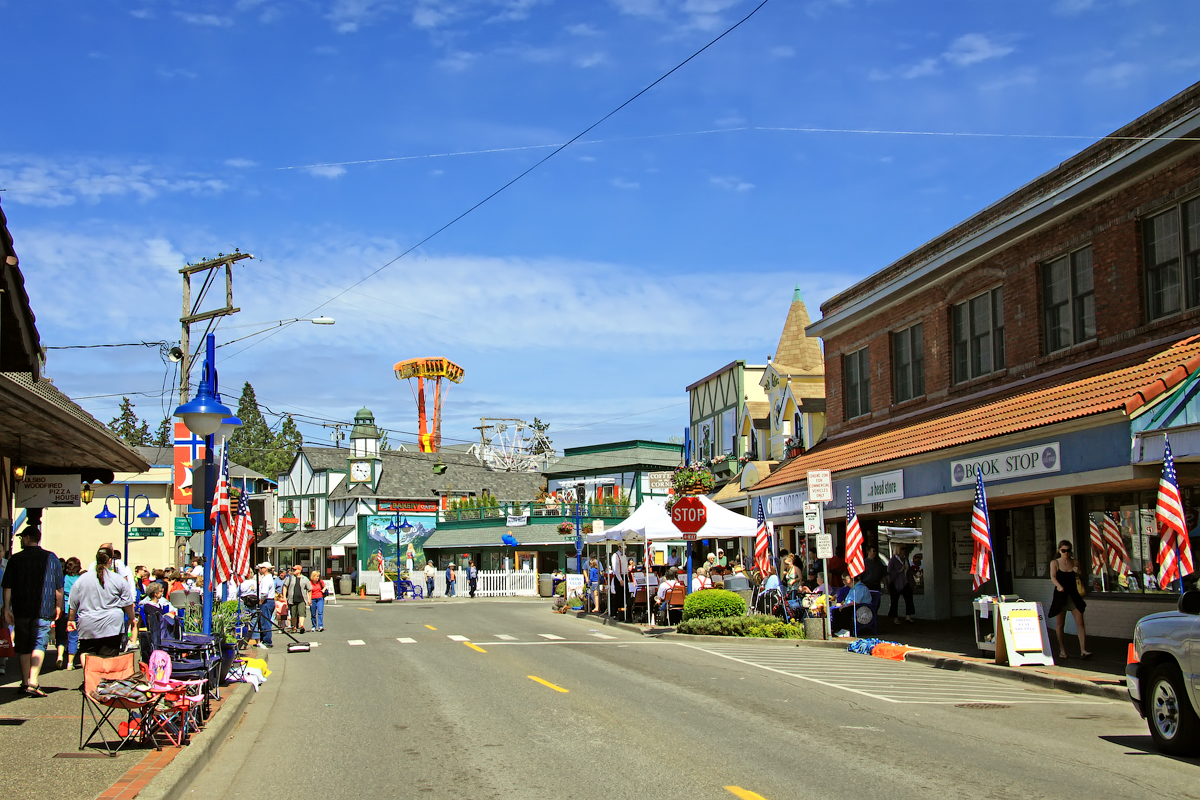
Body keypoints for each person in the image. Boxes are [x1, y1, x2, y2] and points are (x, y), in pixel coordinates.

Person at [1, 526, 64, 696]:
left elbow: (7, 587)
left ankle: (24, 681)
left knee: (23, 646)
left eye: (22, 537)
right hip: (43, 609)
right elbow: (59, 587)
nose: (21, 540)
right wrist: (59, 606)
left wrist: (7, 608)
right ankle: (34, 681)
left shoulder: (15, 559)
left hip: (21, 609)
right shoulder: (52, 558)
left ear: (28, 538)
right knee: (39, 643)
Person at [68, 549, 135, 667]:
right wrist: (131, 618)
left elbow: (73, 602)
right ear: (110, 560)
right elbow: (127, 603)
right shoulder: (118, 579)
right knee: (108, 656)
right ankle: (103, 680)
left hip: (88, 622)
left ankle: (89, 678)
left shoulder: (82, 579)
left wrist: (71, 619)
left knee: (87, 652)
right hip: (112, 624)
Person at [1049, 540, 1091, 660]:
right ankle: (1062, 649)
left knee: (1080, 622)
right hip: (1061, 595)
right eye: (1063, 551)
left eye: (1068, 551)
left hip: (1073, 595)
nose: (1066, 553)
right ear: (1059, 551)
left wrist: (1079, 572)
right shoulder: (1055, 563)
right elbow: (1052, 576)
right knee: (1060, 623)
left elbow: (1081, 576)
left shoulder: (1074, 562)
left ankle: (1083, 650)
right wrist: (1059, 585)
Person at [55, 556, 82, 670]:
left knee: (60, 635)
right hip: (75, 610)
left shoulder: (63, 578)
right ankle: (70, 663)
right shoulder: (80, 580)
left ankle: (60, 656)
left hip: (63, 609)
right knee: (73, 636)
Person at [887, 545, 915, 624]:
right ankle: (895, 618)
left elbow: (908, 572)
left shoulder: (905, 560)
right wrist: (899, 571)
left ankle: (908, 616)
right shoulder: (893, 560)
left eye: (905, 549)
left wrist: (911, 581)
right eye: (902, 549)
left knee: (909, 599)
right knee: (894, 601)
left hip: (905, 582)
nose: (904, 551)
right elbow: (889, 572)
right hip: (895, 583)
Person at [283, 565, 311, 633]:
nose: (293, 571)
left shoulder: (305, 579)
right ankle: (294, 627)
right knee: (293, 614)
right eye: (293, 569)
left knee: (302, 613)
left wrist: (309, 599)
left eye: (295, 570)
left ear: (299, 570)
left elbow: (309, 589)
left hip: (302, 599)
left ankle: (301, 626)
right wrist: (284, 596)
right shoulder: (290, 578)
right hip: (292, 599)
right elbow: (285, 586)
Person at [255, 563, 275, 648]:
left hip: (266, 601)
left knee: (265, 621)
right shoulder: (268, 578)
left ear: (265, 569)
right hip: (269, 601)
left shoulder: (267, 579)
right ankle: (265, 639)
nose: (260, 569)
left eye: (261, 568)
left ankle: (267, 641)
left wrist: (261, 601)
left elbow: (264, 592)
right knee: (265, 621)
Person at [610, 545, 628, 621]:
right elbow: (615, 568)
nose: (625, 548)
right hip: (619, 576)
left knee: (625, 594)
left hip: (625, 576)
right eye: (623, 547)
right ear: (619, 548)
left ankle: (623, 612)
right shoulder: (615, 556)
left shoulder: (625, 556)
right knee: (618, 595)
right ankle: (616, 612)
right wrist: (620, 579)